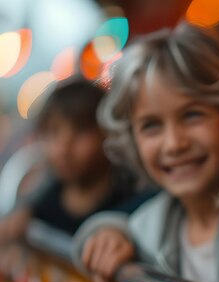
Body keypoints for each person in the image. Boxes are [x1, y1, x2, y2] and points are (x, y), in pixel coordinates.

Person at [72, 22, 219, 282]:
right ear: (132, 141)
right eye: (151, 126)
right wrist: (105, 232)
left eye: (192, 115)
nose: (174, 144)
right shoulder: (148, 228)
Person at [0, 78, 138, 240]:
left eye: (80, 131)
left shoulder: (132, 207)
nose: (63, 149)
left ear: (108, 134)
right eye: (53, 132)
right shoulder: (40, 205)